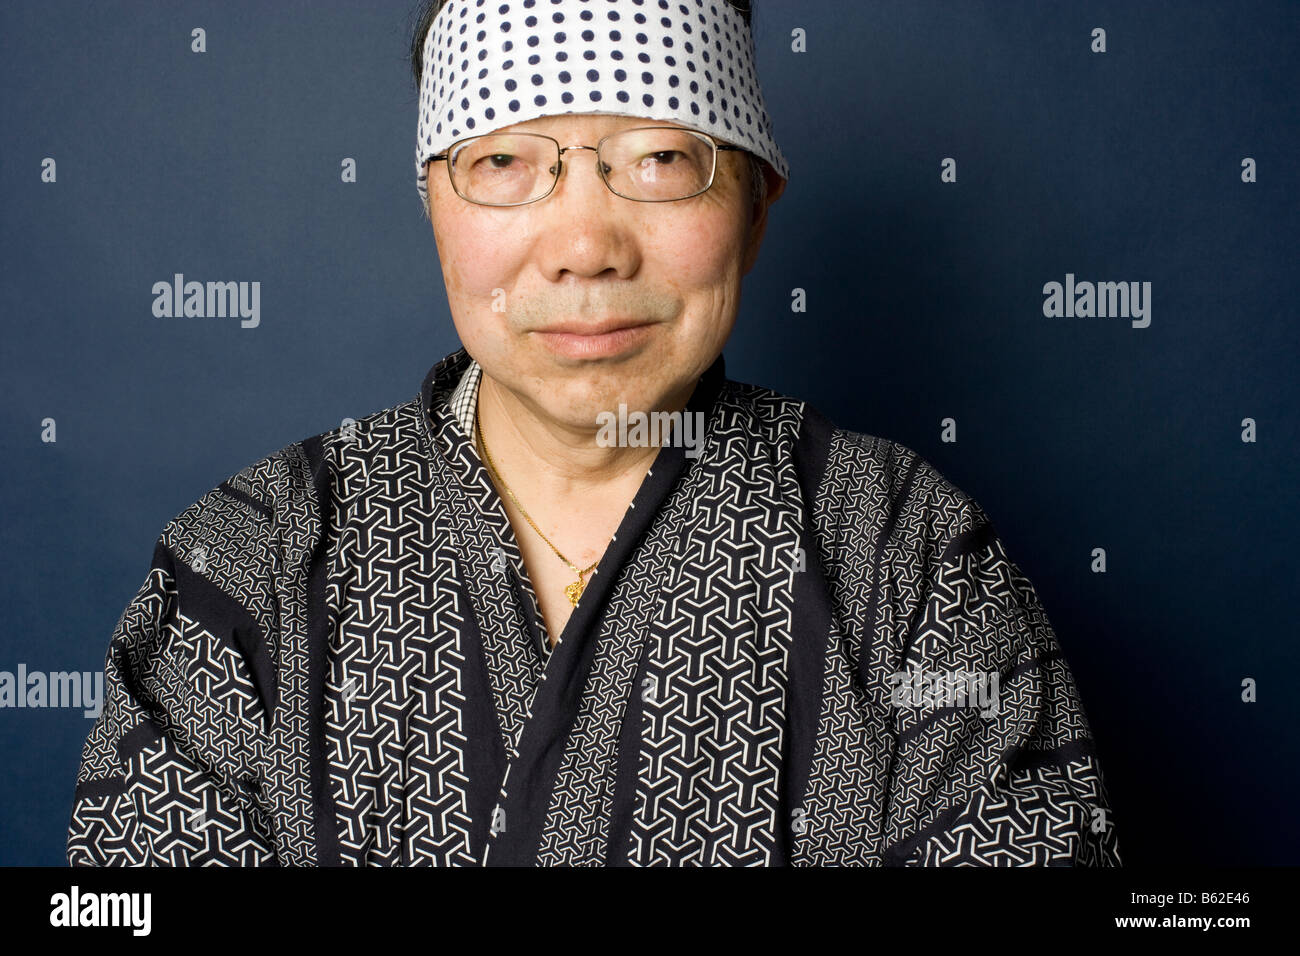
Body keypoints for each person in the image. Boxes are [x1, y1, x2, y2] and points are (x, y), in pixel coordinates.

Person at [66, 0, 1120, 866]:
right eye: (506, 164)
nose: (583, 245)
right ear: (433, 199)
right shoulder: (246, 562)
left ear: (756, 207)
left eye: (661, 157)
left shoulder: (908, 552)